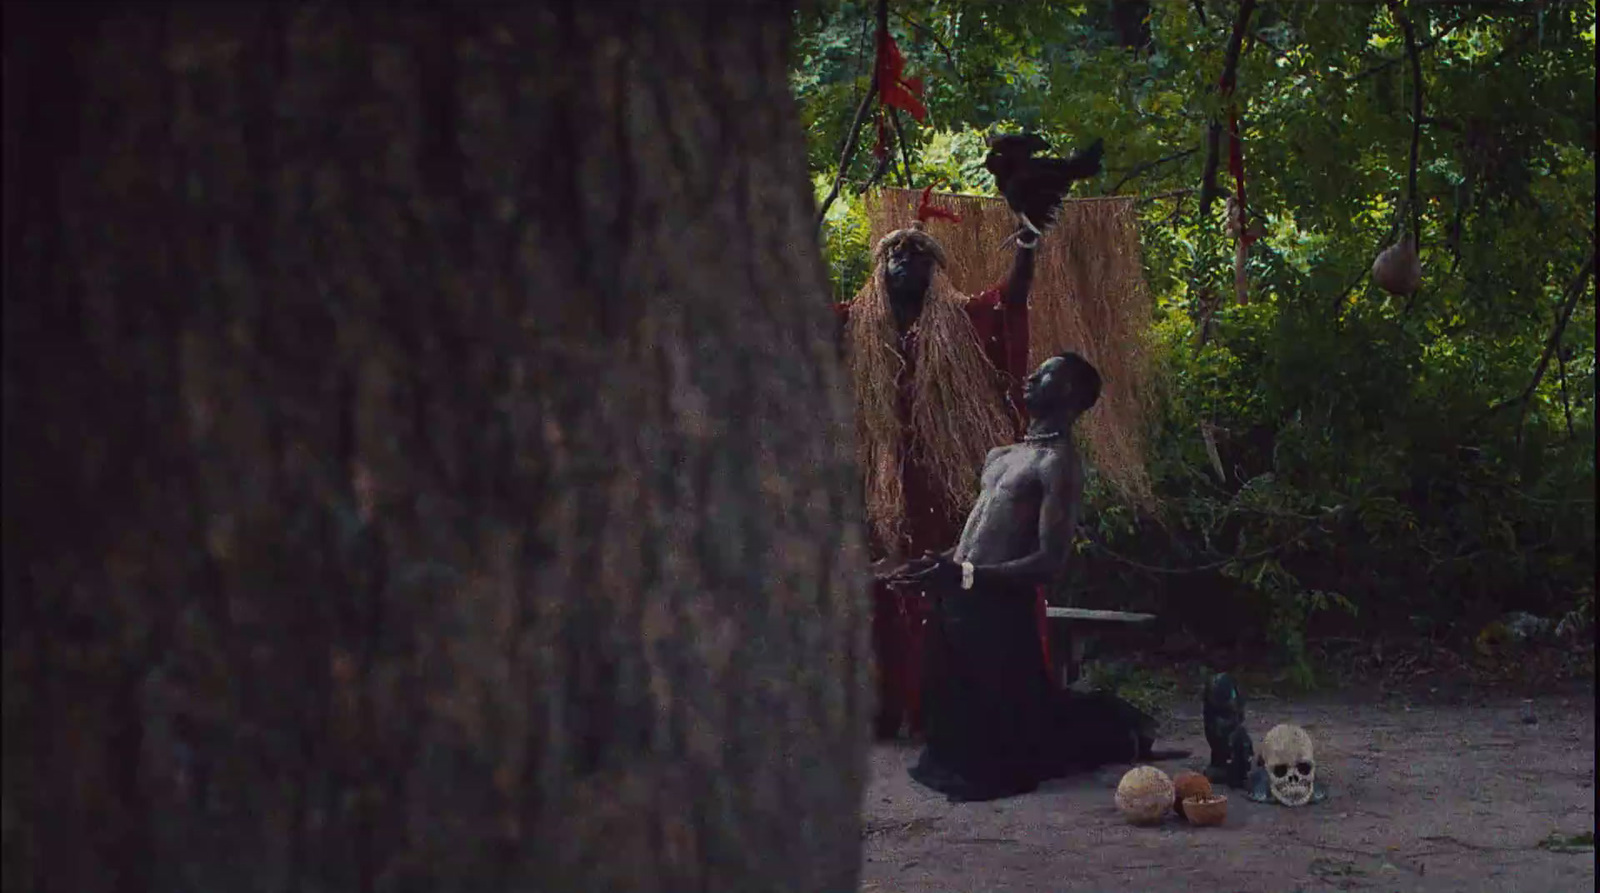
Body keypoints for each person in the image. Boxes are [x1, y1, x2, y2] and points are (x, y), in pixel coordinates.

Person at [887, 353, 1164, 801]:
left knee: (1010, 749)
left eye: (1048, 373)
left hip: (998, 611)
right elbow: (971, 545)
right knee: (964, 731)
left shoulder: (1060, 464)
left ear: (1071, 393)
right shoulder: (1002, 456)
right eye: (1035, 369)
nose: (1032, 375)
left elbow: (1049, 563)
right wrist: (933, 566)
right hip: (960, 601)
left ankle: (1117, 737)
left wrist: (966, 575)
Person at [836, 187, 1043, 740]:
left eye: (921, 255)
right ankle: (880, 707)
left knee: (945, 583)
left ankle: (945, 707)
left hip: (945, 482)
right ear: (879, 268)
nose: (907, 262)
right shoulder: (849, 324)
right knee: (876, 588)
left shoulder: (963, 320)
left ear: (937, 271)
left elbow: (1010, 299)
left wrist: (1026, 245)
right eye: (896, 254)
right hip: (876, 484)